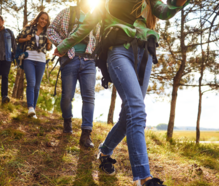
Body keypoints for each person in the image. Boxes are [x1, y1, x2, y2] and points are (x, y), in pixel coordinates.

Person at [54, 0, 190, 185]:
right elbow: (86, 26)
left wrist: (177, 3)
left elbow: (165, 11)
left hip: (145, 53)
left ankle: (104, 151)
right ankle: (143, 178)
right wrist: (62, 47)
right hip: (118, 51)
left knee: (130, 115)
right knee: (137, 110)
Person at [48, 0, 100, 148]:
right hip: (69, 60)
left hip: (89, 60)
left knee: (89, 97)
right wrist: (63, 44)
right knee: (67, 96)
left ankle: (86, 134)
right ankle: (67, 121)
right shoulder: (66, 13)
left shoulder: (97, 15)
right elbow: (50, 30)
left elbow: (99, 36)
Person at [17, 12, 52, 119]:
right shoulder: (29, 28)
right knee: (31, 83)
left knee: (37, 86)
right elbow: (18, 39)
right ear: (38, 19)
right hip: (29, 58)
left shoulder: (48, 32)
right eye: (42, 18)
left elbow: (49, 48)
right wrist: (26, 39)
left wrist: (49, 43)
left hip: (41, 60)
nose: (43, 21)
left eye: (46, 20)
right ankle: (30, 107)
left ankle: (33, 111)